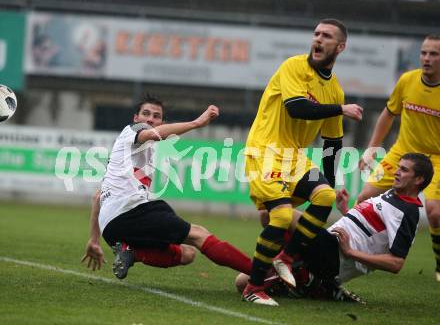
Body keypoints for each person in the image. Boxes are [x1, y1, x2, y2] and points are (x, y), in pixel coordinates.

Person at [242, 18, 363, 306]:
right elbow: (296, 109)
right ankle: (253, 288)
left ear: (340, 47)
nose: (318, 40)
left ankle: (287, 257)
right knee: (281, 217)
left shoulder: (334, 90)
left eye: (327, 36)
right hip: (265, 150)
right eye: (316, 34)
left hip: (294, 155)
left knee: (323, 195)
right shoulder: (294, 66)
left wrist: (333, 186)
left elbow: (333, 143)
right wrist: (341, 109)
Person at [81, 95, 252, 279]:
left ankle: (131, 253)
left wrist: (94, 240)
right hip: (129, 213)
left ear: (162, 122)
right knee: (198, 234)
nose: (150, 119)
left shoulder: (132, 155)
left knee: (187, 254)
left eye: (156, 116)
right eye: (145, 114)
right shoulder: (132, 131)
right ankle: (261, 274)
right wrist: (196, 123)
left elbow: (97, 196)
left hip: (112, 229)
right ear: (135, 118)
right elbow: (151, 134)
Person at [236, 153, 434, 303]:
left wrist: (351, 252)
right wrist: (345, 210)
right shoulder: (392, 195)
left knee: (274, 214)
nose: (397, 172)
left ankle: (308, 277)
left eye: (404, 170)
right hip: (327, 247)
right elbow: (366, 232)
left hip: (334, 256)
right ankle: (312, 283)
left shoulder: (408, 211)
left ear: (418, 180)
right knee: (241, 281)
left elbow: (396, 263)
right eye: (398, 167)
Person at [358, 34, 440, 281]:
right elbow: (388, 113)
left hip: (436, 159)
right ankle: (347, 247)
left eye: (434, 54)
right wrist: (373, 147)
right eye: (424, 52)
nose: (426, 58)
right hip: (401, 153)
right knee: (363, 197)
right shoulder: (407, 80)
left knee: (435, 213)